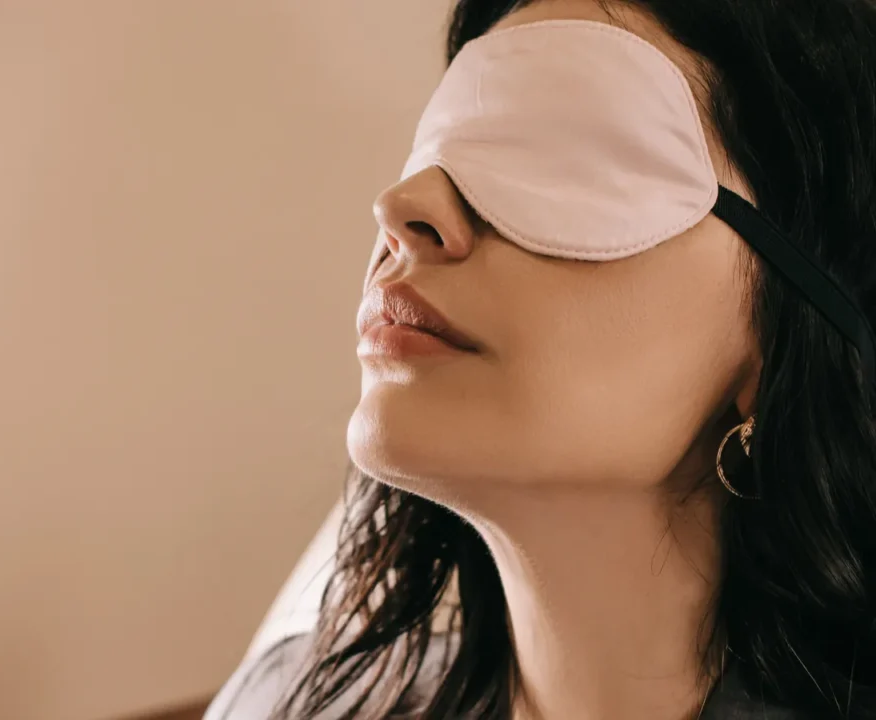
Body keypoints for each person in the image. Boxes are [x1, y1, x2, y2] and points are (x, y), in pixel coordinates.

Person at [205, 0, 876, 718]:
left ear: (780, 340)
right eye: (435, 146)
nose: (401, 206)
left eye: (559, 151)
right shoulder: (293, 702)